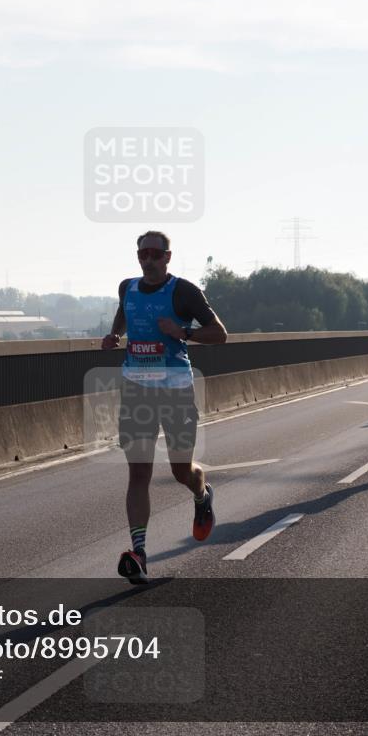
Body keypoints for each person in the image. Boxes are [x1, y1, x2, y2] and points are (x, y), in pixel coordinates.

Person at [102, 231, 227, 584]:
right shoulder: (127, 287)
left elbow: (220, 333)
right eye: (143, 254)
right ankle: (138, 553)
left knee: (179, 470)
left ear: (168, 257)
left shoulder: (184, 292)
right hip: (137, 389)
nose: (148, 260)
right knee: (138, 473)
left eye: (155, 254)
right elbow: (123, 315)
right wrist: (114, 337)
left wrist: (182, 333)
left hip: (175, 390)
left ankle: (201, 494)